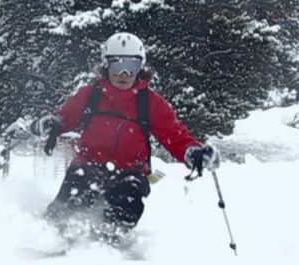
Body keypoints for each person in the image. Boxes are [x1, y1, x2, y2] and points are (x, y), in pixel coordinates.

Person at [34, 32, 218, 245]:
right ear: (106, 66)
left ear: (140, 68)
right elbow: (67, 116)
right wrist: (54, 123)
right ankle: (52, 232)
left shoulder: (149, 102)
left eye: (131, 66)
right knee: (76, 187)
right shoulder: (92, 94)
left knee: (129, 198)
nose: (123, 73)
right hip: (90, 162)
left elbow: (174, 134)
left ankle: (107, 239)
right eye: (117, 65)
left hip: (130, 170)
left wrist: (192, 152)